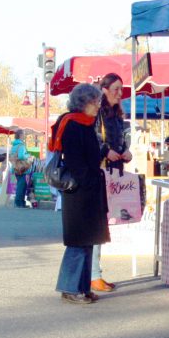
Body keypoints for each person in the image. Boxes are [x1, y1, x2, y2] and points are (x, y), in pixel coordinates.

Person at [52, 83, 110, 305]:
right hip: (79, 191)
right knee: (78, 242)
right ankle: (70, 288)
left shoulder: (85, 124)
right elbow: (76, 161)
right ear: (83, 102)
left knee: (88, 241)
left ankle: (82, 287)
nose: (98, 106)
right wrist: (88, 181)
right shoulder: (73, 125)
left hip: (88, 189)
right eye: (95, 102)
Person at [89, 73, 132, 293]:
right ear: (104, 89)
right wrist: (107, 151)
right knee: (97, 225)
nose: (119, 93)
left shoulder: (116, 114)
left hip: (112, 172)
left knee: (102, 224)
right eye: (115, 88)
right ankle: (93, 274)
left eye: (121, 89)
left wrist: (125, 151)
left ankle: (95, 273)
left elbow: (123, 137)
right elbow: (94, 138)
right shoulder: (96, 111)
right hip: (100, 172)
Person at [11, 131, 31, 208]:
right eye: (23, 134)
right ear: (20, 135)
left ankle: (20, 201)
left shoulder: (14, 145)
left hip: (16, 167)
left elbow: (12, 156)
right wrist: (29, 155)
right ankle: (19, 202)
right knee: (22, 185)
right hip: (22, 167)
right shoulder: (21, 145)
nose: (24, 136)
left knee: (20, 184)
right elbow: (22, 156)